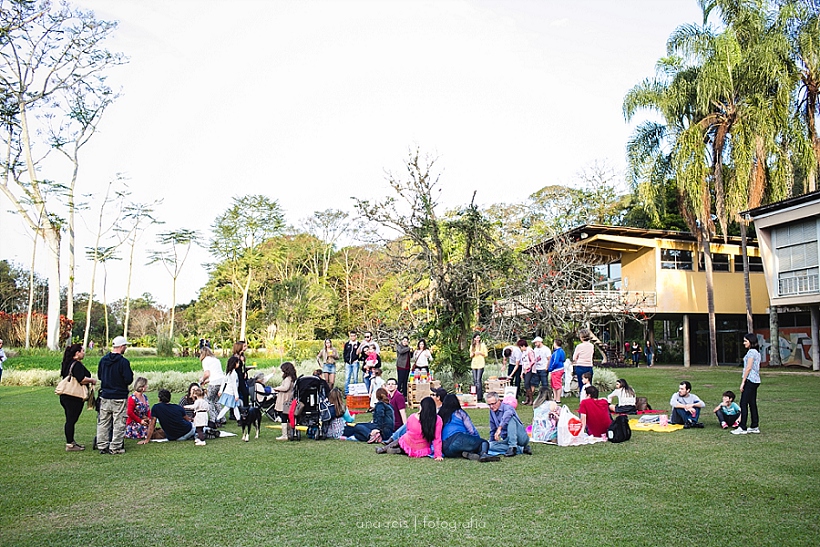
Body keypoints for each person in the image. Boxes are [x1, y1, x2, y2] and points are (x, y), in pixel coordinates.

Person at [96, 336, 134, 455]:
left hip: (105, 395)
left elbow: (100, 376)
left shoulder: (103, 360)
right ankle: (116, 446)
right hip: (119, 396)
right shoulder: (123, 362)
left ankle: (102, 445)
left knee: (103, 422)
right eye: (125, 346)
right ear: (121, 347)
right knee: (119, 422)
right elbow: (128, 379)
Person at [439, 394, 498, 462]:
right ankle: (483, 454)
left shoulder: (441, 414)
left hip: (445, 449)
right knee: (483, 443)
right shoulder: (460, 413)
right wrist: (478, 440)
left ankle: (467, 454)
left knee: (464, 447)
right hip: (458, 438)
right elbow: (471, 430)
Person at [59, 343, 96, 452]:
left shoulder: (67, 363)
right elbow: (82, 379)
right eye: (82, 351)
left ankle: (71, 441)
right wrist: (92, 380)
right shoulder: (77, 365)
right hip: (74, 397)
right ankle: (70, 444)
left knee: (70, 419)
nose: (84, 353)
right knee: (71, 420)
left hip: (65, 396)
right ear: (77, 353)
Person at [486, 391, 531, 456]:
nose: (491, 406)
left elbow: (508, 414)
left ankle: (513, 447)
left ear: (499, 401)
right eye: (489, 404)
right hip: (507, 439)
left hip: (521, 437)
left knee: (510, 418)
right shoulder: (492, 412)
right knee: (489, 445)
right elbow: (493, 429)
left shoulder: (507, 407)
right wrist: (491, 442)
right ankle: (521, 449)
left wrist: (500, 428)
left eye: (493, 404)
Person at [732, 333, 762, 435]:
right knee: (752, 403)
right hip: (756, 380)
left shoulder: (751, 352)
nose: (744, 343)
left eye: (745, 341)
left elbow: (748, 367)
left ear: (751, 341)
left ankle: (742, 426)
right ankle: (754, 425)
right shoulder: (757, 352)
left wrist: (743, 382)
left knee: (743, 403)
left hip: (750, 380)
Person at [198, 347, 225, 426]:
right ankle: (222, 418)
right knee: (216, 401)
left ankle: (214, 419)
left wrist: (202, 380)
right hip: (221, 382)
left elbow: (207, 374)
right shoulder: (216, 360)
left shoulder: (205, 360)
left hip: (214, 383)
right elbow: (216, 374)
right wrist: (206, 381)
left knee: (208, 400)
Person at [274, 362, 297, 440]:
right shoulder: (292, 378)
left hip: (285, 399)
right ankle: (289, 432)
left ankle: (285, 435)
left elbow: (285, 388)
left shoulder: (288, 379)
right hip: (288, 398)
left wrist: (276, 388)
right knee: (287, 416)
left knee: (284, 416)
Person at [216, 354, 241, 422]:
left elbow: (224, 382)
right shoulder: (234, 374)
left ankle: (239, 419)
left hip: (228, 392)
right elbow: (234, 385)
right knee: (228, 407)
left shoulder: (229, 372)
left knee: (234, 407)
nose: (238, 364)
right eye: (238, 362)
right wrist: (236, 395)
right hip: (231, 393)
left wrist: (221, 391)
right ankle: (218, 418)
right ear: (235, 363)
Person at [227, 341, 250, 408]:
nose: (246, 348)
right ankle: (241, 408)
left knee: (244, 392)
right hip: (237, 377)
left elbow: (242, 367)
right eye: (244, 346)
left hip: (242, 376)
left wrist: (245, 372)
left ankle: (245, 407)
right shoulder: (235, 357)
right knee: (241, 392)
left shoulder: (242, 356)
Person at [573, 329, 595, 393]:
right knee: (589, 383)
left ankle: (583, 397)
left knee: (581, 383)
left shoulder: (579, 346)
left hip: (580, 366)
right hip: (589, 366)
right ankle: (589, 397)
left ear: (582, 337)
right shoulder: (591, 346)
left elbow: (574, 357)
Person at [517, 338, 536, 405]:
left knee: (527, 384)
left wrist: (529, 367)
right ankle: (527, 399)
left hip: (530, 370)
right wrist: (522, 372)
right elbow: (523, 363)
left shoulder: (529, 351)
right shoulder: (524, 353)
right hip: (525, 370)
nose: (520, 348)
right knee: (526, 385)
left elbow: (533, 360)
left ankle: (531, 400)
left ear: (523, 346)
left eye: (520, 347)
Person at [469, 333, 488, 402]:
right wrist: (474, 353)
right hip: (474, 364)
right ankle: (474, 395)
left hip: (480, 364)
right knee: (474, 380)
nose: (478, 339)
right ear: (474, 339)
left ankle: (479, 396)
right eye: (476, 338)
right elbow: (470, 355)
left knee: (478, 380)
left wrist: (479, 353)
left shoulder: (482, 345)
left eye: (479, 338)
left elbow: (486, 354)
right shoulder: (472, 346)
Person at [547, 339, 566, 404]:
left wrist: (550, 368)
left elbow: (555, 361)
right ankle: (555, 398)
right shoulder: (562, 351)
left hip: (556, 370)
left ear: (555, 344)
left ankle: (558, 399)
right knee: (554, 384)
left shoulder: (557, 352)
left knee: (557, 384)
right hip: (558, 369)